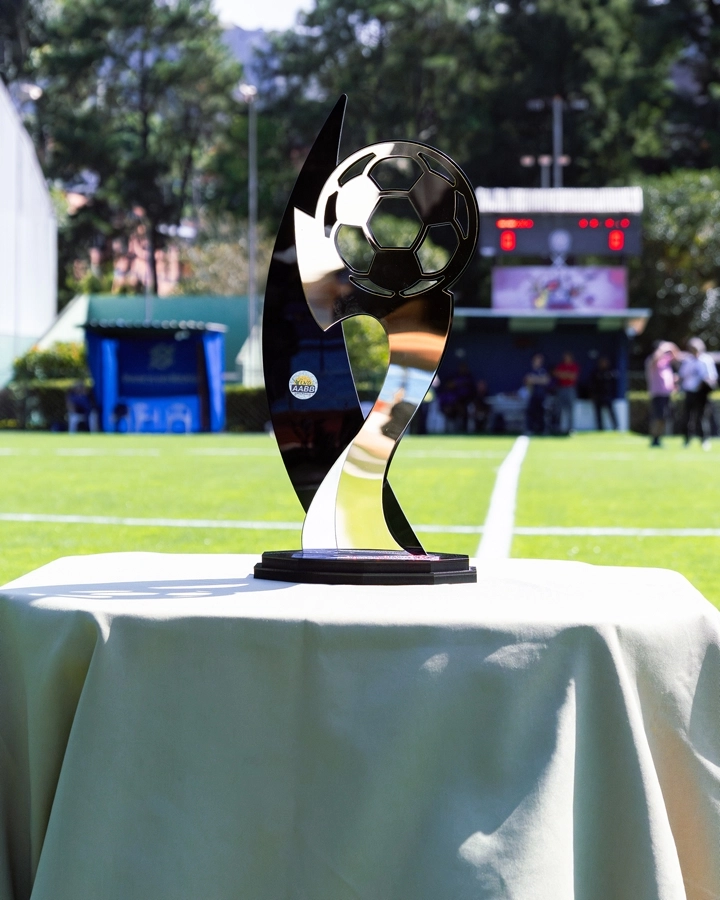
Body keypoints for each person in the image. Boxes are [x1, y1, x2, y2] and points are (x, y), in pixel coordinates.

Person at [679, 337, 718, 449]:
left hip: (702, 393)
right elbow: (683, 375)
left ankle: (704, 440)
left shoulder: (706, 359)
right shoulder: (687, 360)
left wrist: (704, 382)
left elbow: (712, 377)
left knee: (702, 417)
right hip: (689, 391)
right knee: (687, 417)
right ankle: (687, 440)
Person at [645, 341, 680, 447]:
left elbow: (677, 355)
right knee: (658, 417)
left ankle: (658, 438)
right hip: (657, 393)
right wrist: (662, 348)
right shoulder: (651, 360)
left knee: (664, 418)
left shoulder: (666, 361)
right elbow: (656, 356)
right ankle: (654, 439)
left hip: (666, 394)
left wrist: (670, 345)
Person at [552, 351, 579, 434]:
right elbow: (556, 374)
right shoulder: (561, 365)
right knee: (559, 409)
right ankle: (558, 428)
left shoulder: (574, 366)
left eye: (568, 357)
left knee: (570, 409)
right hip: (561, 388)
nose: (566, 358)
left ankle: (570, 428)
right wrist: (567, 375)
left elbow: (573, 376)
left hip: (570, 389)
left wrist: (564, 374)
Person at [588, 357, 618, 430]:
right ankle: (600, 428)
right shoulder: (596, 372)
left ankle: (616, 427)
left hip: (607, 395)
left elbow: (614, 384)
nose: (603, 364)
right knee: (598, 413)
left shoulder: (610, 372)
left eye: (605, 362)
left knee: (611, 411)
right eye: (602, 362)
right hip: (598, 396)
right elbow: (591, 384)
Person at [524, 353, 550, 435]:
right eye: (537, 359)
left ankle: (542, 430)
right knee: (530, 412)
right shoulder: (530, 370)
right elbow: (527, 380)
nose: (539, 361)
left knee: (541, 413)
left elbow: (546, 381)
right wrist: (539, 380)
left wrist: (534, 380)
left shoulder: (543, 370)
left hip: (541, 396)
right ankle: (530, 430)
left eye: (540, 360)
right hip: (532, 395)